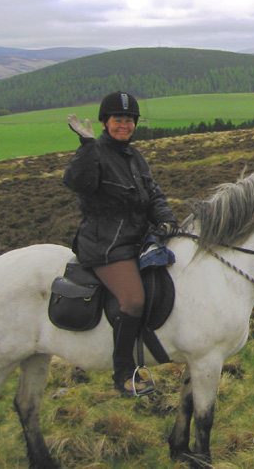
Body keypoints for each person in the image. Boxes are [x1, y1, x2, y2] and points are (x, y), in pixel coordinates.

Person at [63, 91, 177, 396]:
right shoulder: (95, 153)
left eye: (129, 120)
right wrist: (86, 147)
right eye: (118, 119)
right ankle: (124, 372)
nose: (123, 125)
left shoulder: (134, 156)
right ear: (105, 122)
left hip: (135, 238)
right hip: (105, 244)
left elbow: (153, 193)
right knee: (133, 300)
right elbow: (76, 182)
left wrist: (165, 219)